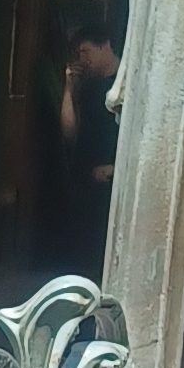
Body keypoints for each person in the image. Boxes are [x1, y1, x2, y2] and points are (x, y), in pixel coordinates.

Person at [60, 23, 120, 275]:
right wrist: (69, 88)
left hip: (111, 183)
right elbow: (69, 131)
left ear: (104, 45)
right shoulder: (88, 86)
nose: (83, 59)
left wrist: (114, 169)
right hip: (83, 178)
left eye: (86, 52)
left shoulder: (126, 85)